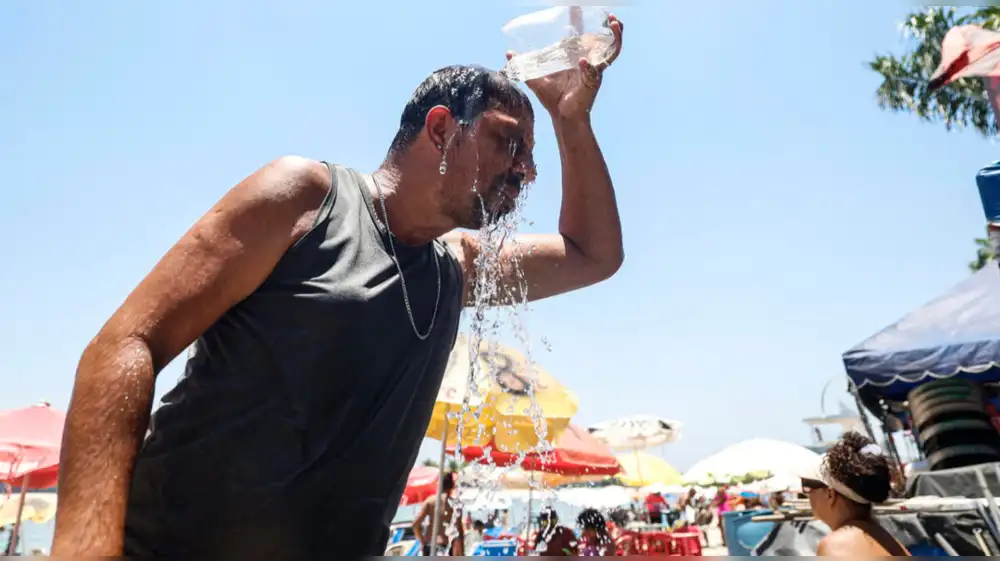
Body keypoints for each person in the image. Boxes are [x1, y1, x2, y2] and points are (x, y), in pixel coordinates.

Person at [50, 15, 626, 560]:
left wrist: (571, 121)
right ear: (442, 129)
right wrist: (86, 546)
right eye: (508, 142)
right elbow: (127, 345)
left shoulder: (458, 266)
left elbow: (593, 254)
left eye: (529, 154)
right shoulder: (306, 199)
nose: (526, 170)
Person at [798, 431, 910, 557]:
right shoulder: (888, 540)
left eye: (809, 485)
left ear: (830, 494)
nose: (808, 495)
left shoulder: (836, 546)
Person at [413, 472, 463, 556]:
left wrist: (422, 541)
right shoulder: (455, 504)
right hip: (446, 546)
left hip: (430, 546)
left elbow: (415, 525)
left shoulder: (430, 501)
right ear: (452, 486)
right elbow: (459, 531)